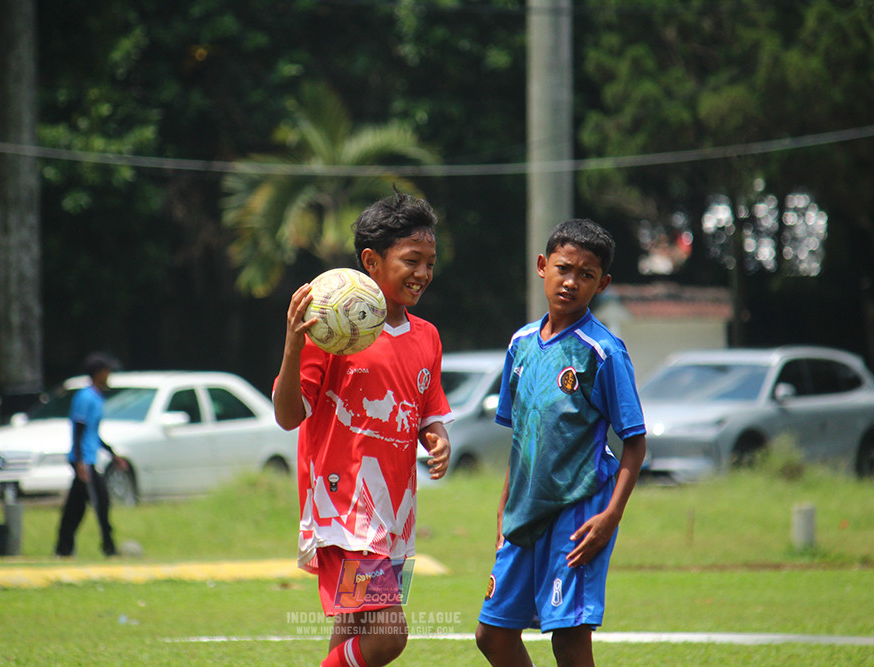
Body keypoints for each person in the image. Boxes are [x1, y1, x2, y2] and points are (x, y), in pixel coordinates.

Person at [273, 191, 453, 667]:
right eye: (411, 260)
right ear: (371, 262)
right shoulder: (330, 332)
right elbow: (289, 416)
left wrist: (437, 438)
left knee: (352, 626)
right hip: (346, 510)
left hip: (395, 512)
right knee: (390, 635)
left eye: (430, 263)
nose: (423, 274)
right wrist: (293, 348)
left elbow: (427, 409)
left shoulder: (427, 336)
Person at [475, 219, 647, 667]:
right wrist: (503, 510)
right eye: (564, 268)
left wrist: (610, 518)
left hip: (579, 511)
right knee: (492, 636)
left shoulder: (603, 350)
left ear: (602, 284)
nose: (571, 282)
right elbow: (522, 437)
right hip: (522, 515)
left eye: (586, 275)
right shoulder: (520, 345)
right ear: (542, 266)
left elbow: (634, 443)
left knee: (568, 642)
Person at [55, 352, 129, 557]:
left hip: (88, 458)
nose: (109, 375)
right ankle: (109, 548)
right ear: (98, 373)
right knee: (101, 502)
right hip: (84, 460)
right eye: (107, 371)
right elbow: (79, 429)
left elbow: (93, 434)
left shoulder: (96, 398)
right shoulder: (85, 397)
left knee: (76, 508)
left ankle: (63, 548)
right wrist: (79, 461)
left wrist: (112, 454)